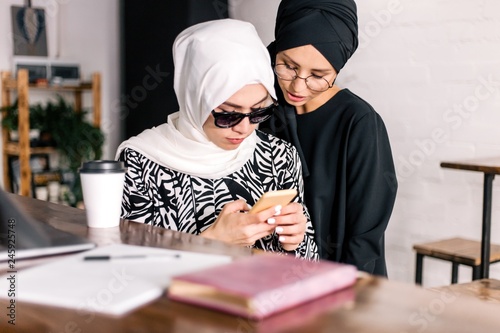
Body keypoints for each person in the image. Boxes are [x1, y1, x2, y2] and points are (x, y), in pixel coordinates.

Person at [115, 19, 318, 260]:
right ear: (195, 99)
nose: (244, 128)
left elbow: (308, 264)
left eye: (258, 112)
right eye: (228, 114)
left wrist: (297, 241)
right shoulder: (140, 161)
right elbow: (130, 271)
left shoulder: (279, 156)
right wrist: (212, 241)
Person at [261, 0, 397, 275]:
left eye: (318, 75)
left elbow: (364, 237)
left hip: (341, 285)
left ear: (338, 69)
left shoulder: (359, 123)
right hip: (267, 277)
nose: (298, 86)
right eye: (288, 66)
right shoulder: (257, 109)